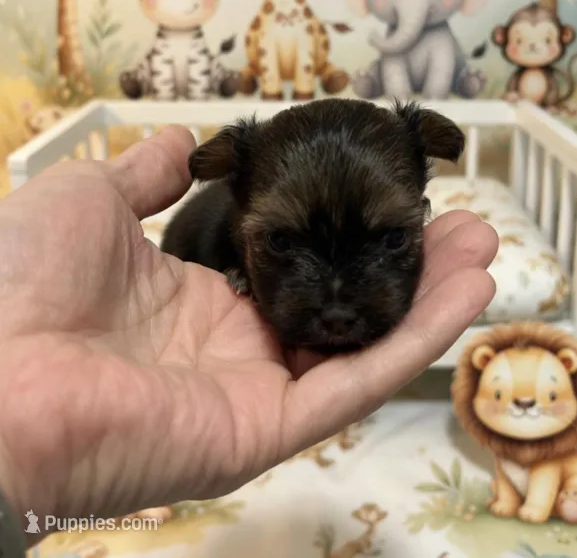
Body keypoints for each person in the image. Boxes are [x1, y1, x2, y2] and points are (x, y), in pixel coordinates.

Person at [0, 126, 498, 551]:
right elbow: (183, 250)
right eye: (280, 242)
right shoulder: (210, 223)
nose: (338, 305)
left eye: (392, 239)